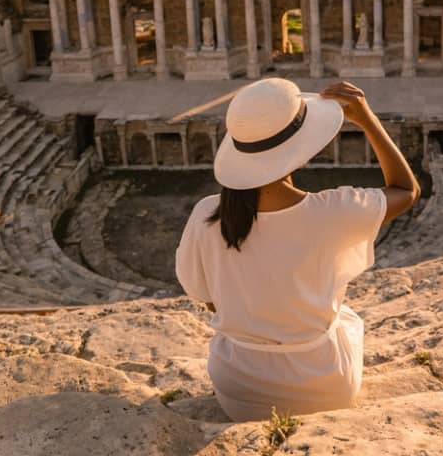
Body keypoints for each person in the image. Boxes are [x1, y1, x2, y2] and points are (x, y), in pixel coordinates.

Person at [175, 78, 420, 422]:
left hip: (239, 387)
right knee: (345, 318)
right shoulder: (334, 211)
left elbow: (207, 297)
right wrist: (367, 120)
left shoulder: (206, 215)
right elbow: (406, 189)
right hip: (322, 386)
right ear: (300, 151)